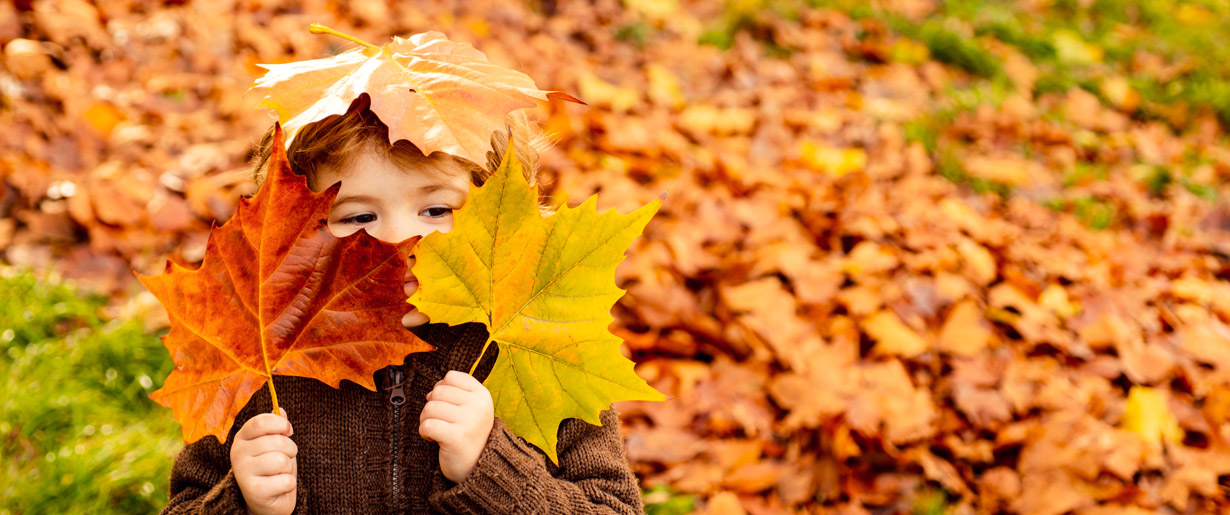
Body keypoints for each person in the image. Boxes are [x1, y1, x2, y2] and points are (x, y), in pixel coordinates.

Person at [159, 89, 645, 514]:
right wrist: (241, 502)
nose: (398, 241)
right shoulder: (264, 362)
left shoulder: (538, 349)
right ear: (294, 233)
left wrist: (492, 468)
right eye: (358, 216)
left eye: (436, 209)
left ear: (501, 221)